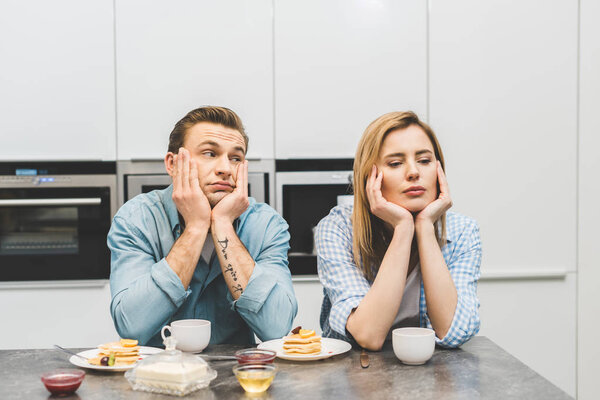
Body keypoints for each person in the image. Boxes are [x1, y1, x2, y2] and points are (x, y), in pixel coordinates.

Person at [108, 106, 297, 346]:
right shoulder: (136, 219)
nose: (226, 169)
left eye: (235, 158)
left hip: (238, 378)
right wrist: (196, 227)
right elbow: (132, 328)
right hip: (158, 377)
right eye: (209, 153)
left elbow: (277, 329)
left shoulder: (266, 225)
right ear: (172, 164)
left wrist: (223, 225)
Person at [316, 111, 481, 350]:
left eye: (424, 161)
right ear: (369, 176)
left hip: (432, 376)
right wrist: (403, 228)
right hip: (355, 375)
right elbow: (368, 334)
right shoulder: (338, 229)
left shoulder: (463, 231)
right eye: (395, 163)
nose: (414, 172)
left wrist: (424, 227)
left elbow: (452, 332)